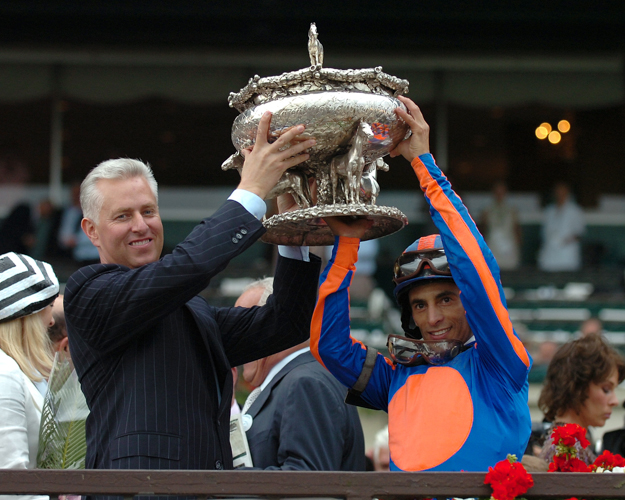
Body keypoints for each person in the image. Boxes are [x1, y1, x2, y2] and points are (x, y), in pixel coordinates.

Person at [64, 113, 321, 472]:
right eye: (123, 216)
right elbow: (190, 266)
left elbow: (287, 322)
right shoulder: (87, 293)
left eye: (149, 211)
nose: (141, 225)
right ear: (91, 231)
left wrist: (293, 236)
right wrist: (252, 191)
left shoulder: (192, 311)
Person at [310, 96, 532, 472]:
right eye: (419, 305)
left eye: (445, 299)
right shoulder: (396, 376)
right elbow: (328, 346)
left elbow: (477, 272)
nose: (432, 318)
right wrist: (347, 244)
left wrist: (423, 165)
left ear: (468, 304)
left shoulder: (500, 362)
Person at [237, 278, 365, 471]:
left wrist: (225, 481)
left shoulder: (306, 383)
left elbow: (307, 485)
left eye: (242, 327)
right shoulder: (298, 379)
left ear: (275, 325)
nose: (234, 341)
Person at [0, 252, 58, 495]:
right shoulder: (5, 372)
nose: (52, 320)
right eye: (49, 307)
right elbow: (11, 480)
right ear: (25, 315)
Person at [537, 334, 625, 465]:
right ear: (578, 388)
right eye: (606, 389)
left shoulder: (574, 443)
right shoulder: (567, 449)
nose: (615, 401)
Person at [537, 181, 585, 272]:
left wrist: (564, 241)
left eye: (562, 192)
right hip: (549, 254)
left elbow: (579, 233)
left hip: (567, 254)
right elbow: (544, 233)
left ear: (568, 193)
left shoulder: (575, 211)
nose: (560, 194)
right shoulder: (549, 211)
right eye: (558, 192)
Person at [480, 181, 521, 270]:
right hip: (493, 246)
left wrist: (517, 246)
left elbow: (516, 229)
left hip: (509, 246)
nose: (499, 194)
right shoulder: (487, 210)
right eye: (497, 192)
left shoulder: (512, 210)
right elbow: (483, 230)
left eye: (502, 192)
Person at [57, 181, 100, 265]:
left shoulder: (96, 212)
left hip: (94, 257)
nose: (76, 197)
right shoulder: (68, 212)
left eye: (79, 193)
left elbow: (99, 234)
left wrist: (77, 240)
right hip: (72, 257)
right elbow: (62, 233)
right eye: (74, 193)